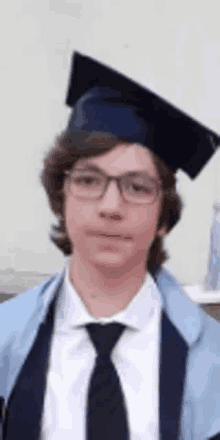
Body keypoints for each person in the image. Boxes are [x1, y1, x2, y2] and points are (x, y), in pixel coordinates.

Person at [0, 52, 220, 440]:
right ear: (60, 197)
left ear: (163, 219)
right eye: (88, 181)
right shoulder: (5, 339)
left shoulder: (214, 360)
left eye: (137, 187)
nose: (110, 207)